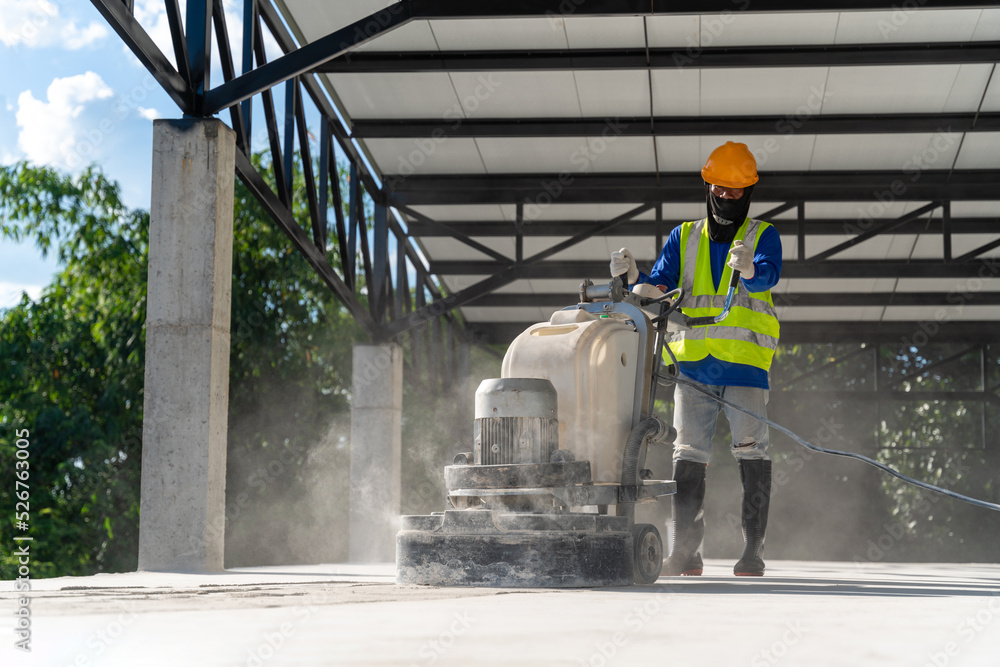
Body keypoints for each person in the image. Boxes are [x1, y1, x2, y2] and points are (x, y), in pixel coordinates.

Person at [609, 141, 781, 576]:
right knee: (688, 457)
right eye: (719, 190)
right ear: (708, 188)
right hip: (695, 366)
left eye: (735, 192)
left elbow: (768, 276)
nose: (726, 198)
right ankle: (684, 552)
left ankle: (753, 552)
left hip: (744, 364)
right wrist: (635, 280)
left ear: (748, 194)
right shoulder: (683, 236)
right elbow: (661, 288)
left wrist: (751, 270)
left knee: (752, 454)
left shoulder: (762, 235)